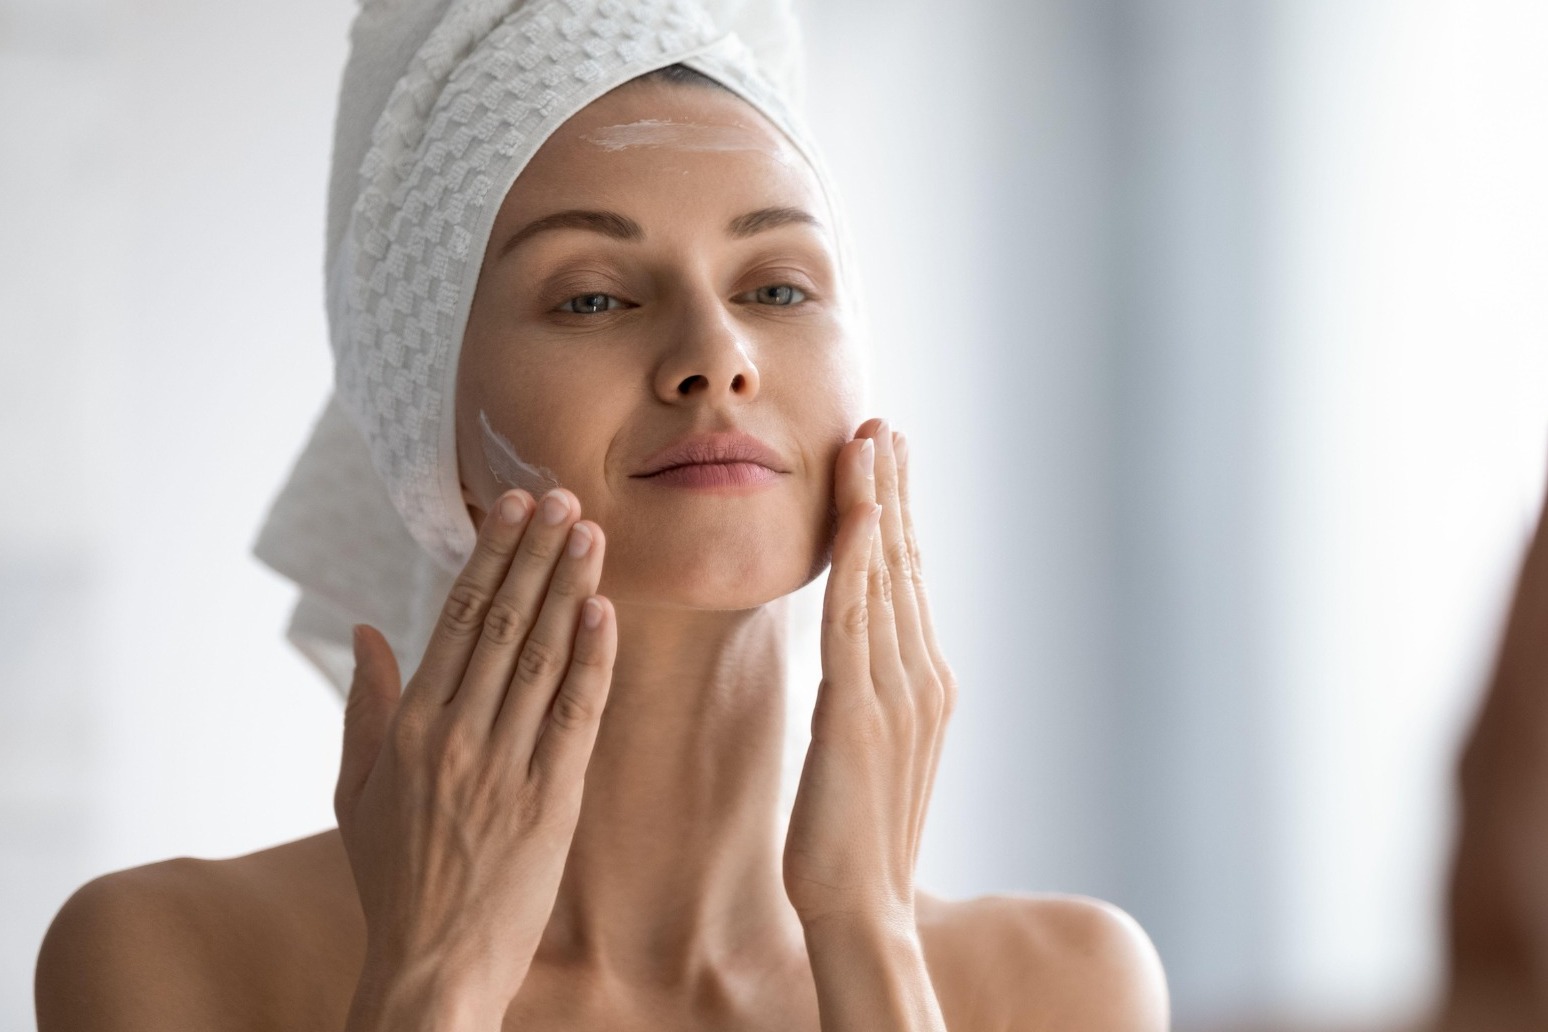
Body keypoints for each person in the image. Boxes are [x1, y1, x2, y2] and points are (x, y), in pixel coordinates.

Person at [32, 1, 1169, 1029]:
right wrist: (434, 980)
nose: (718, 354)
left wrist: (867, 934)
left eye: (778, 287)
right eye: (591, 298)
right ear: (429, 424)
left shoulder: (1064, 987)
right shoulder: (174, 962)